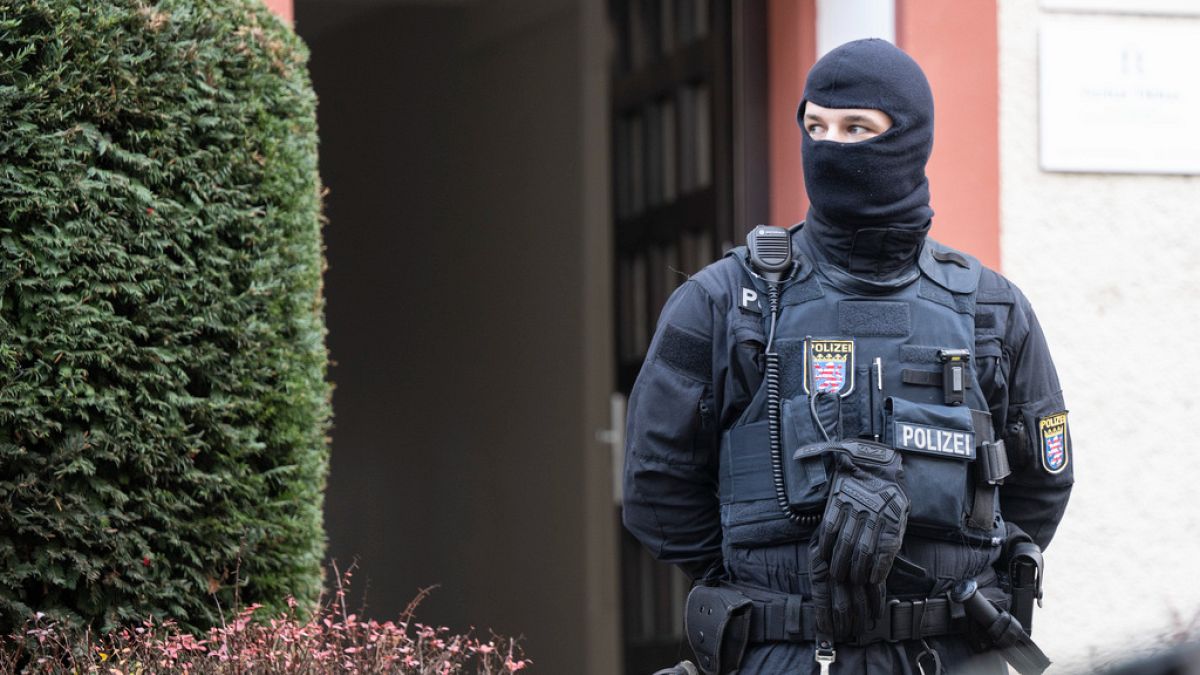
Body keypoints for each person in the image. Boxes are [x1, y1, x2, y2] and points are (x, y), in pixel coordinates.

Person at [624, 39, 1073, 674]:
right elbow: (655, 490)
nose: (831, 146)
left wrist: (944, 575)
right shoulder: (722, 302)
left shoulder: (990, 309)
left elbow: (1041, 482)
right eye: (816, 126)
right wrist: (777, 583)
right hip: (781, 655)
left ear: (910, 138)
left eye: (856, 127)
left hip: (946, 655)